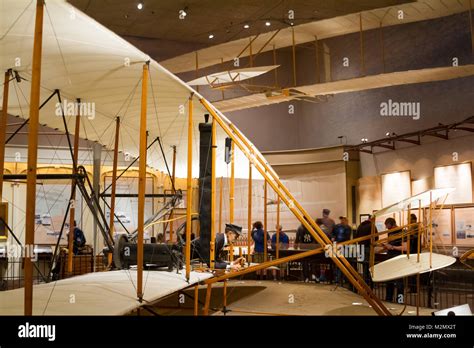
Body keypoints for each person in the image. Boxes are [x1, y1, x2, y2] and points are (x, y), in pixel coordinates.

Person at [383, 217, 406, 302]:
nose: (386, 228)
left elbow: (405, 248)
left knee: (399, 282)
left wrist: (392, 247)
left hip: (398, 258)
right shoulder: (390, 232)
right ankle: (389, 298)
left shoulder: (402, 232)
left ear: (390, 224)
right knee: (390, 280)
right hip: (391, 257)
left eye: (387, 225)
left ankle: (400, 300)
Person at [331, 216, 352, 284]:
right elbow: (347, 237)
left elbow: (332, 235)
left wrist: (334, 239)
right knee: (341, 263)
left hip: (339, 246)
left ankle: (339, 279)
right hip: (343, 247)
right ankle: (340, 279)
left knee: (339, 263)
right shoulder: (347, 228)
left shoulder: (338, 227)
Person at [295, 218, 316, 282]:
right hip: (310, 247)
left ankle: (307, 277)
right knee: (309, 262)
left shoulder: (300, 228)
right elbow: (315, 238)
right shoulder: (311, 227)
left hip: (304, 247)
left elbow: (297, 238)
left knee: (305, 263)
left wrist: (295, 246)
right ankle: (311, 275)